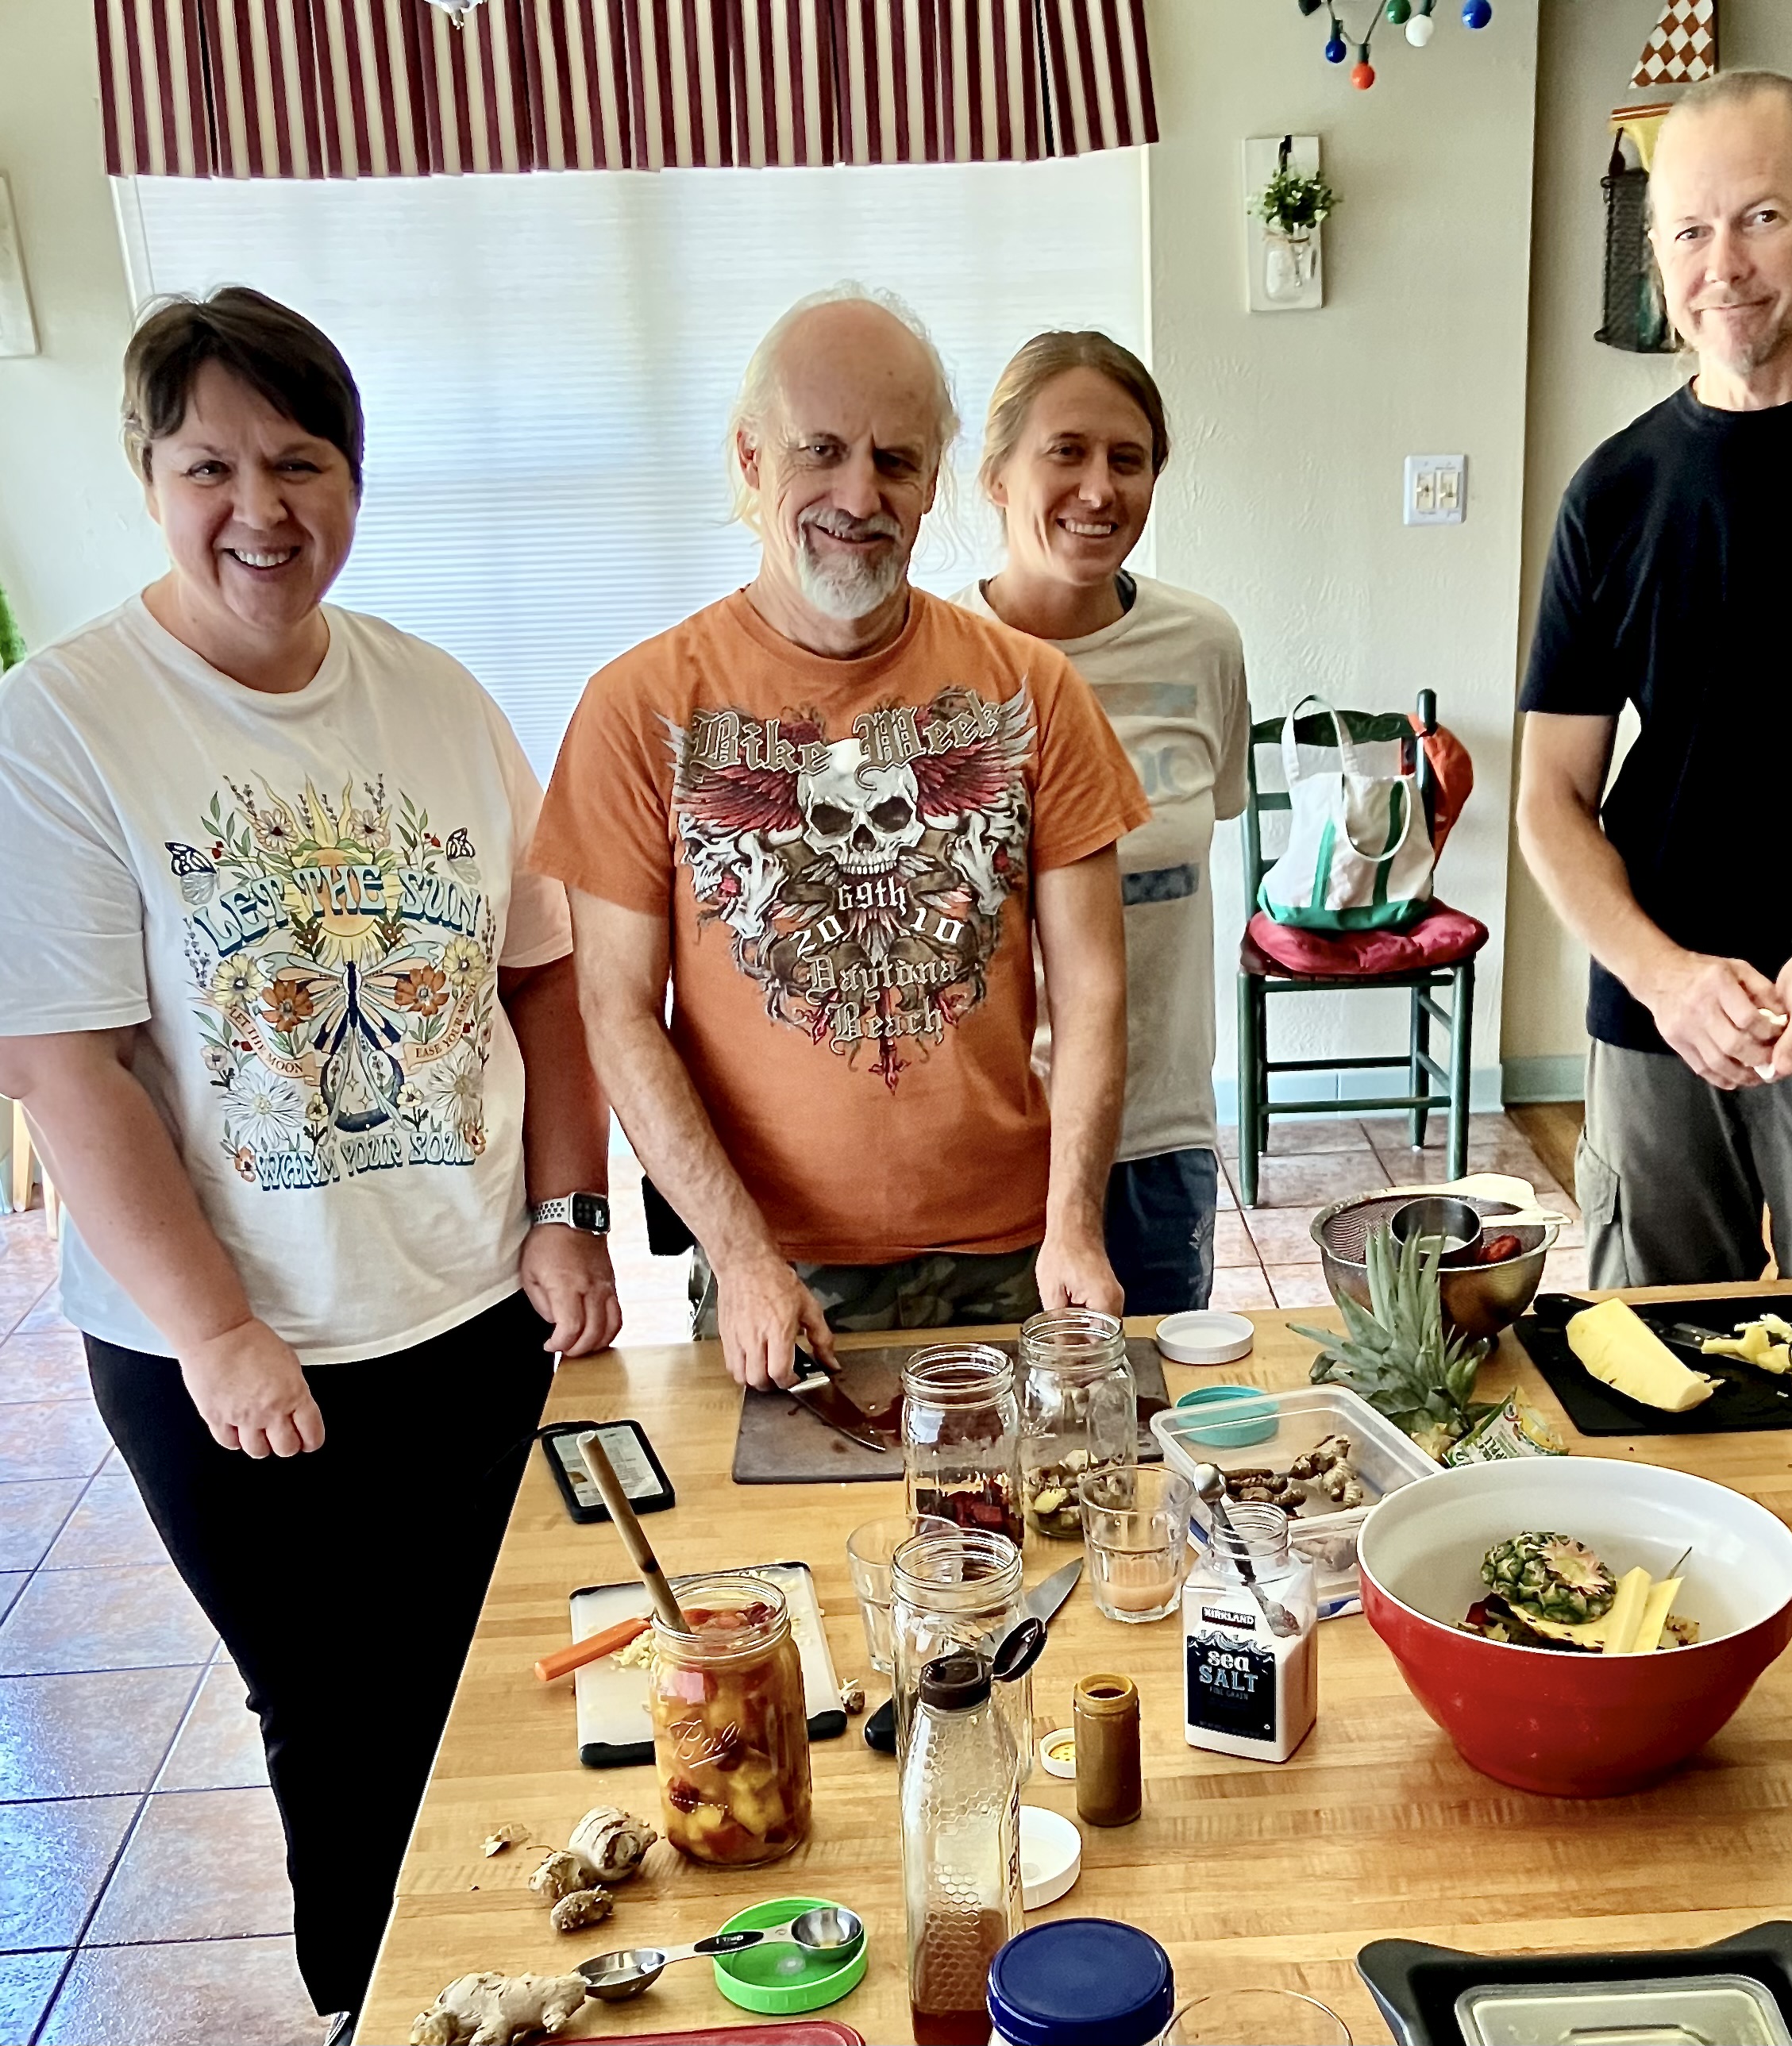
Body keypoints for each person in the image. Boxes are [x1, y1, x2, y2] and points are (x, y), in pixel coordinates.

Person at [0, 289, 620, 2026]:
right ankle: (372, 2004)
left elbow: (544, 974)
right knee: (336, 1711)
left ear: (354, 476)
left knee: (478, 1686)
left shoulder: (436, 696)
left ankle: (508, 1984)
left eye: (299, 461)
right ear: (148, 475)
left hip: (471, 1305)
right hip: (231, 1350)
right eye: (210, 466)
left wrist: (567, 1210)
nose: (259, 508)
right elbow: (63, 1065)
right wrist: (214, 1327)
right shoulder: (62, 722)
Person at [530, 284, 1148, 1388]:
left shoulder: (1033, 691)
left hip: (1012, 1248)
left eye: (895, 461)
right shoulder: (640, 708)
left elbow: (1093, 988)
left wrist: (1074, 1224)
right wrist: (739, 1256)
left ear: (933, 480)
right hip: (779, 1268)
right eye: (820, 451)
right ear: (750, 456)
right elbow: (615, 1012)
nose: (859, 496)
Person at [1516, 71, 1792, 1287]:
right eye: (1688, 230)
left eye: (1758, 217)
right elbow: (1549, 796)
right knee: (1643, 1356)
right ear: (1657, 253)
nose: (1723, 265)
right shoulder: (1611, 492)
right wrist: (1662, 978)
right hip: (1654, 1021)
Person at [954, 332, 1248, 1312]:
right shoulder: (934, 667)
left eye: (1129, 459)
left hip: (1159, 1135)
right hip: (988, 1144)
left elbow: (1205, 826)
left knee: (1151, 1394)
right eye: (1066, 452)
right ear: (996, 475)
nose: (1098, 488)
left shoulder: (1201, 644)